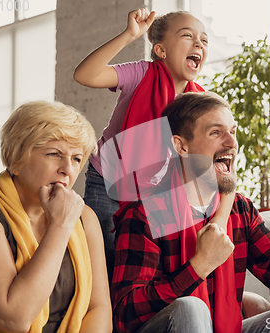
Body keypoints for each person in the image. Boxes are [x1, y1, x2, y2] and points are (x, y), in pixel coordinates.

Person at [110, 91, 270, 333]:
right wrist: (197, 267)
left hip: (229, 328)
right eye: (216, 132)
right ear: (181, 146)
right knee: (191, 309)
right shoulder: (146, 215)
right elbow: (124, 315)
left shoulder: (239, 209)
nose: (232, 142)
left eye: (232, 131)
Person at [73, 8, 209, 280]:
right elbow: (84, 75)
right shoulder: (140, 74)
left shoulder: (199, 102)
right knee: (104, 262)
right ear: (161, 50)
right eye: (187, 36)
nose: (198, 44)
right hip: (107, 183)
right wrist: (129, 35)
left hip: (152, 195)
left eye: (204, 40)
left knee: (138, 267)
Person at [0, 101, 112, 332]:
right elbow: (14, 318)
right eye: (54, 154)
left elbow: (98, 310)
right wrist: (60, 226)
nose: (67, 169)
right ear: (16, 160)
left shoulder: (85, 217)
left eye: (77, 159)